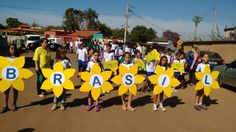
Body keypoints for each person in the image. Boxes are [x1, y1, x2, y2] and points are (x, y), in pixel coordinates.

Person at [1, 44, 20, 113]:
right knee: (6, 92)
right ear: (9, 50)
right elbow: (2, 68)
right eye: (11, 49)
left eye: (14, 49)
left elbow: (20, 69)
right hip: (6, 78)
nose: (13, 50)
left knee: (15, 91)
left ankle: (14, 104)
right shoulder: (5, 59)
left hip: (16, 78)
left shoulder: (18, 59)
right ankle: (5, 105)